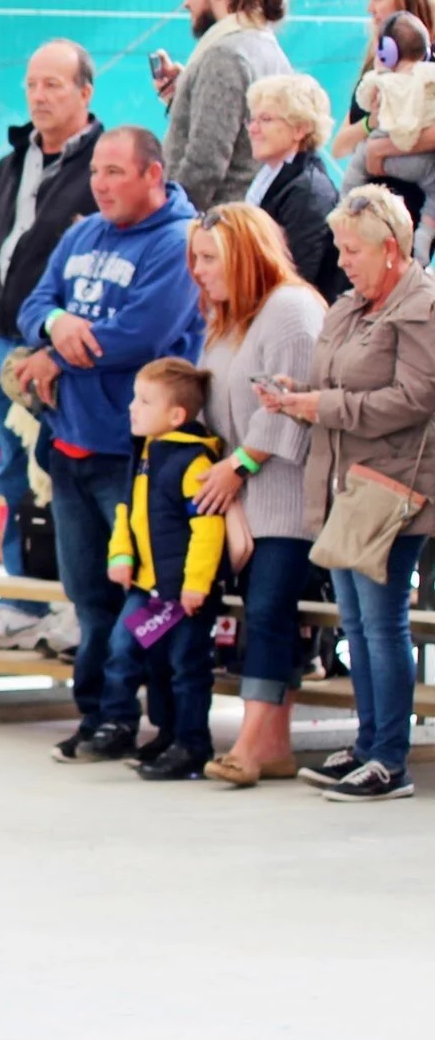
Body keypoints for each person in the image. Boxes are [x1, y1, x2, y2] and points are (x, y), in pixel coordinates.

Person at [15, 127, 204, 762]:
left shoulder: (177, 242)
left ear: (153, 175)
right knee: (89, 600)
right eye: (96, 171)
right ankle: (101, 716)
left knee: (142, 601)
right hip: (70, 447)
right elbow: (32, 302)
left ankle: (161, 722)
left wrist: (57, 358)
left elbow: (141, 336)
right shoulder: (81, 232)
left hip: (134, 458)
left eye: (115, 172)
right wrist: (53, 325)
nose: (99, 183)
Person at [263, 186, 435, 803]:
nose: (343, 259)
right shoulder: (347, 306)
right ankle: (368, 745)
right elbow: (331, 382)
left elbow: (416, 399)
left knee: (382, 627)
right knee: (357, 626)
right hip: (343, 485)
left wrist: (322, 406)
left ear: (391, 250)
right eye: (338, 246)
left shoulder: (421, 309)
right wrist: (293, 393)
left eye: (352, 249)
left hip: (391, 492)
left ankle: (389, 759)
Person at [0, 39, 104, 654]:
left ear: (84, 93)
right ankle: (21, 601)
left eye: (54, 85)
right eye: (32, 85)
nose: (40, 97)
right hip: (1, 340)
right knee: (11, 475)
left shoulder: (104, 162)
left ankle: (77, 604)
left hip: (64, 354)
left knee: (66, 478)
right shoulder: (14, 159)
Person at [185, 204, 324, 786]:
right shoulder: (226, 320)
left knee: (268, 614)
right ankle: (273, 745)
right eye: (195, 257)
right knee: (260, 618)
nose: (198, 270)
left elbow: (293, 408)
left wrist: (237, 466)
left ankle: (249, 741)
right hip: (239, 500)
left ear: (244, 257)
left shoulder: (290, 310)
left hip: (285, 500)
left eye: (210, 258)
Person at [83, 358, 225, 778]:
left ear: (176, 415)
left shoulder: (194, 463)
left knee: (187, 667)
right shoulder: (146, 453)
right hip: (148, 587)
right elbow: (128, 510)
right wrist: (121, 556)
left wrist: (196, 584)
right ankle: (156, 731)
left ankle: (192, 744)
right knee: (131, 654)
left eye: (144, 401)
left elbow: (207, 528)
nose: (133, 408)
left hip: (184, 595)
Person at [151, 0, 291, 212]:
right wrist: (185, 96)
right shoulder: (269, 48)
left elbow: (205, 163)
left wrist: (166, 223)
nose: (185, 2)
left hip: (214, 227)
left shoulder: (224, 56)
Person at [329, 0, 435, 225]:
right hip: (371, 200)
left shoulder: (428, 66)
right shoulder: (376, 62)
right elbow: (340, 145)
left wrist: (379, 149)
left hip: (413, 203)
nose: (369, 8)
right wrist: (369, 125)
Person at [243, 73, 347, 300]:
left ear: (300, 129)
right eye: (252, 119)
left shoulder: (309, 192)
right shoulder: (271, 176)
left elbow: (296, 276)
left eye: (266, 119)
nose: (252, 129)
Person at [342, 12, 435, 251]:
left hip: (389, 157)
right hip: (423, 165)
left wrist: (377, 73)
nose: (372, 8)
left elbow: (363, 101)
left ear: (388, 52)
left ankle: (344, 207)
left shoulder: (384, 79)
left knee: (359, 160)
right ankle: (424, 240)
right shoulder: (428, 74)